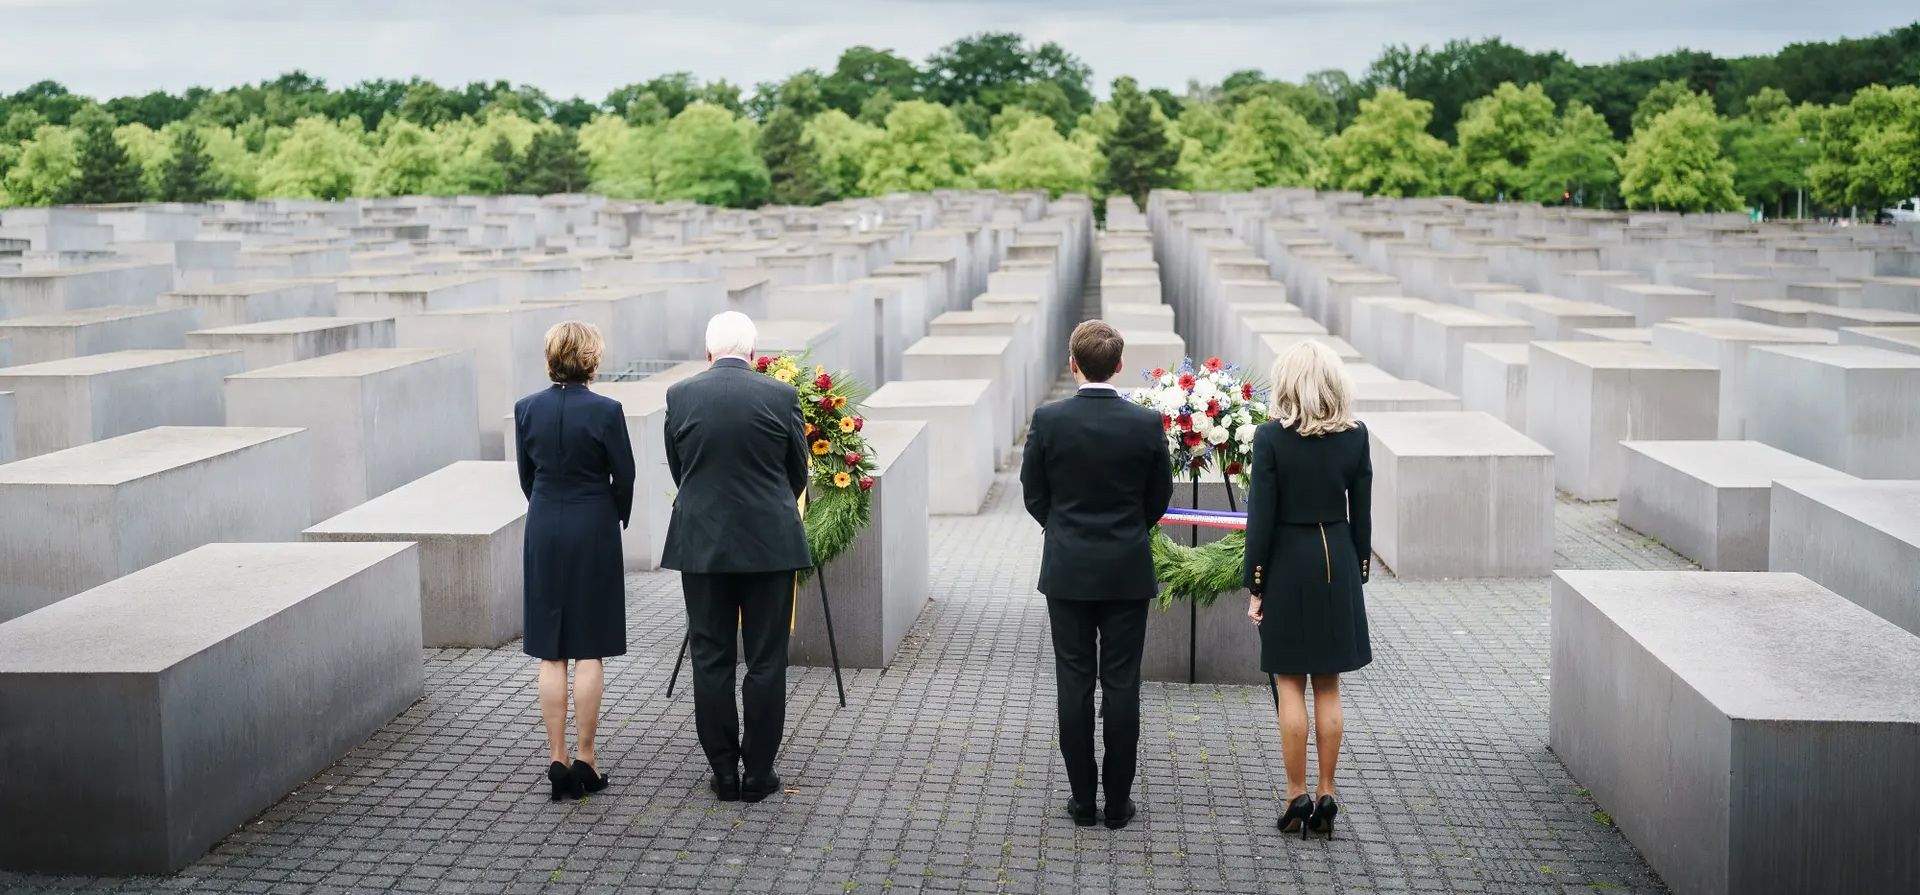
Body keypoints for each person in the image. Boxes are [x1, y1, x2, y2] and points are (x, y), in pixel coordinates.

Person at [1019, 319, 1174, 830]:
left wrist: (1062, 530)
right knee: (1123, 682)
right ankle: (1118, 805)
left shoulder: (1049, 419)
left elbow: (1033, 494)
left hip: (1067, 571)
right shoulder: (1147, 424)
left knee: (1074, 681)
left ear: (1073, 363)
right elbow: (1158, 499)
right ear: (1120, 365)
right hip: (1127, 569)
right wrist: (1129, 530)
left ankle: (1083, 800)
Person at [662, 311, 812, 804]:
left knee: (711, 657)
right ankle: (759, 773)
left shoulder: (680, 396)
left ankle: (723, 770)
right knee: (767, 659)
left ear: (708, 354)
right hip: (769, 545)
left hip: (702, 545)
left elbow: (679, 467)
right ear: (752, 353)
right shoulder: (781, 396)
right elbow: (797, 471)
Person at [1241, 339, 1373, 840]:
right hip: (1336, 558)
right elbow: (1361, 514)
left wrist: (1255, 583)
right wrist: (1357, 570)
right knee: (1329, 684)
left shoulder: (1270, 438)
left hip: (1288, 563)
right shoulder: (1355, 437)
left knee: (1290, 682)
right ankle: (1327, 792)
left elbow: (1261, 520)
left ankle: (1295, 792)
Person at [513, 321, 636, 801]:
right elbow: (623, 476)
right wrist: (613, 515)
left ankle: (557, 756)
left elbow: (528, 476)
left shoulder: (527, 409)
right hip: (593, 529)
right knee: (589, 647)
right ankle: (587, 757)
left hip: (544, 525)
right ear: (591, 358)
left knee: (552, 649)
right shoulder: (607, 411)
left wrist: (548, 504)